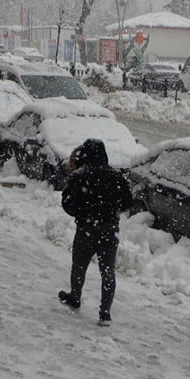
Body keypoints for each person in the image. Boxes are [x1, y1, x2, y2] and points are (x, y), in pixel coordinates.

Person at [58, 138, 133, 326]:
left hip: (86, 228)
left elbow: (66, 202)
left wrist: (81, 212)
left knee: (79, 265)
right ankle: (105, 313)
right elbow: (127, 202)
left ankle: (75, 297)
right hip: (109, 229)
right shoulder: (117, 177)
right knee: (108, 271)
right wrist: (111, 210)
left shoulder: (79, 175)